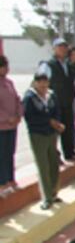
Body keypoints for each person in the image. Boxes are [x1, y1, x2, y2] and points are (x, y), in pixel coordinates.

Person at [22, 71, 65, 210]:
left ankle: (53, 192)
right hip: (38, 134)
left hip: (51, 134)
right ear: (35, 83)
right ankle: (46, 197)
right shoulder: (29, 98)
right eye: (40, 85)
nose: (43, 88)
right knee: (43, 166)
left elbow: (57, 110)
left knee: (54, 163)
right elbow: (30, 117)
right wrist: (49, 121)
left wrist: (57, 123)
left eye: (45, 84)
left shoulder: (51, 95)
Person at [42, 38, 75, 161]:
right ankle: (53, 156)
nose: (63, 49)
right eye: (60, 47)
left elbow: (74, 84)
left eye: (65, 47)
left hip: (68, 101)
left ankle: (70, 153)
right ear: (54, 49)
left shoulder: (69, 66)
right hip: (54, 103)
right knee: (54, 131)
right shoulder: (48, 65)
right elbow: (41, 83)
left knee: (68, 128)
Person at [0, 55, 22, 194]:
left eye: (7, 66)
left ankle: (10, 179)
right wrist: (7, 118)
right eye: (3, 66)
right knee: (1, 154)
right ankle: (1, 183)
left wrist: (18, 115)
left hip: (12, 126)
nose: (6, 69)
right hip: (2, 126)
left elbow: (17, 99)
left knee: (10, 153)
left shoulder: (9, 82)